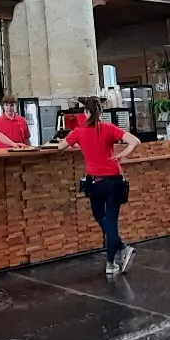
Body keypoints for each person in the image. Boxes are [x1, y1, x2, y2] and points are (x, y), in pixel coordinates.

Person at [56, 96, 141, 275]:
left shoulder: (79, 132)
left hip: (96, 181)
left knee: (100, 217)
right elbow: (135, 141)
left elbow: (60, 147)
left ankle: (122, 250)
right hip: (115, 179)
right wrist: (121, 155)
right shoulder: (109, 128)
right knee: (111, 221)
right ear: (100, 112)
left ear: (86, 112)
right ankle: (112, 262)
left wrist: (77, 144)